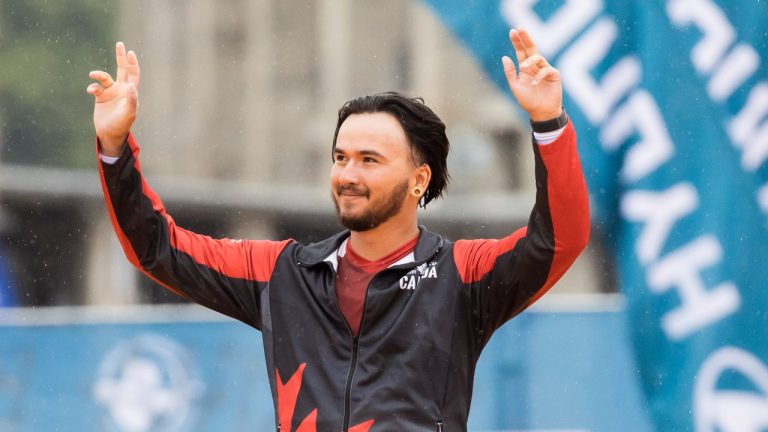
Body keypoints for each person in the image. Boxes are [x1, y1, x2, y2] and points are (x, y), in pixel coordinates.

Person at [88, 28, 589, 432]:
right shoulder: (280, 273)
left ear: (419, 180)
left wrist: (549, 124)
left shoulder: (462, 274)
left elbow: (558, 241)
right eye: (340, 158)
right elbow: (156, 248)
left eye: (369, 160)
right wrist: (114, 146)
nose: (347, 175)